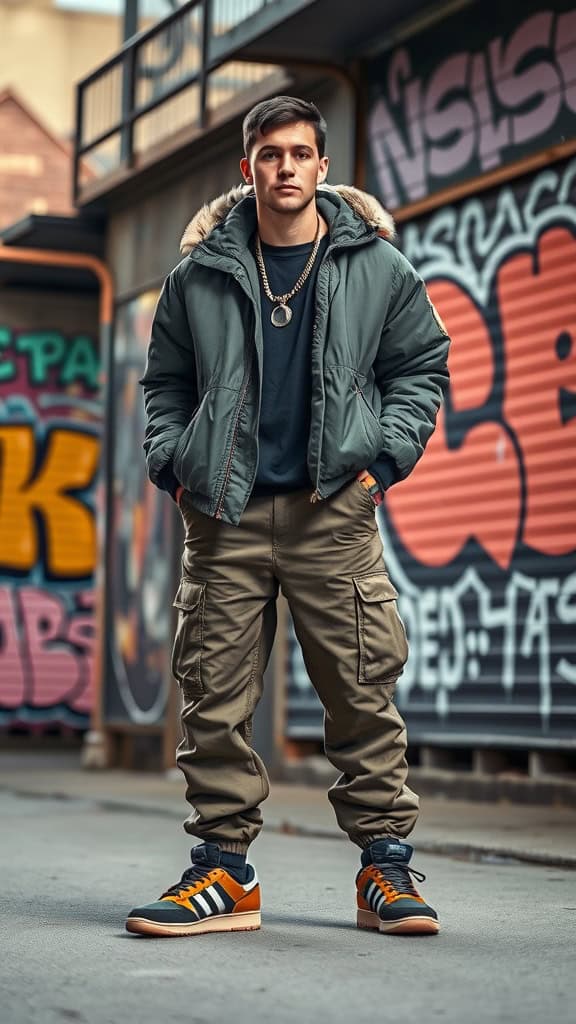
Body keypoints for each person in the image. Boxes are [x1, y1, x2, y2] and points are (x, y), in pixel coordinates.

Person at [127, 95, 450, 938]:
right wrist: (174, 465)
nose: (286, 168)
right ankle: (225, 875)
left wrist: (380, 467)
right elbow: (163, 383)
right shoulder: (198, 276)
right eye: (270, 154)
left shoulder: (376, 267)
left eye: (301, 153)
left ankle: (385, 869)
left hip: (332, 512)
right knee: (214, 698)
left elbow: (421, 365)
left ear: (321, 166)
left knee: (360, 692)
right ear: (249, 169)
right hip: (224, 516)